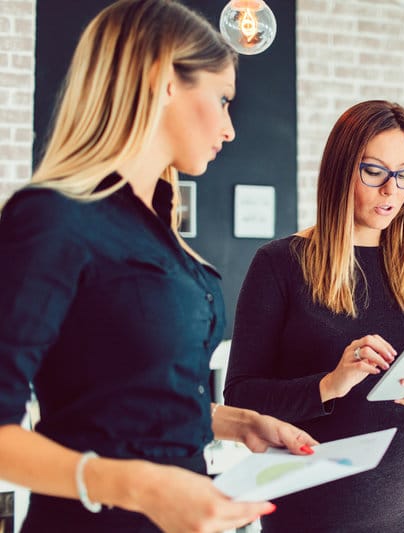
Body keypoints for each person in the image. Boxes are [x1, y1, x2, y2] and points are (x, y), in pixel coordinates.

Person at [0, 1, 318, 532]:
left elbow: (131, 398)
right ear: (163, 80)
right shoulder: (51, 219)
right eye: (222, 99)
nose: (229, 129)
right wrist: (140, 485)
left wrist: (241, 423)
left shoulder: (158, 227)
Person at [224, 99, 404, 533]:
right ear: (340, 169)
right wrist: (329, 385)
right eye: (375, 171)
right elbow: (241, 398)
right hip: (313, 513)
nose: (392, 189)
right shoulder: (279, 264)